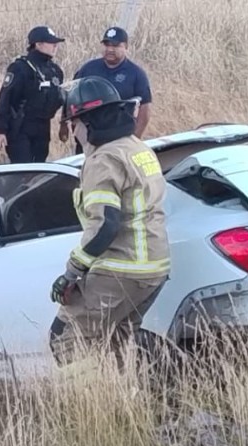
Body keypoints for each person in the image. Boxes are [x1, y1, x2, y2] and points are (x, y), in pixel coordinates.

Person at [49, 76, 170, 368]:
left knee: (65, 339)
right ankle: (122, 403)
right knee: (118, 343)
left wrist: (72, 273)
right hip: (154, 268)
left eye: (73, 123)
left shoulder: (103, 160)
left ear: (87, 122)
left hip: (122, 268)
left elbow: (105, 225)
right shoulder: (138, 148)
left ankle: (81, 409)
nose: (74, 132)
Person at [0, 25, 68, 163]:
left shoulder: (55, 71)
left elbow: (62, 98)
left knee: (39, 171)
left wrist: (64, 123)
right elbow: (5, 98)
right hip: (21, 127)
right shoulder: (20, 68)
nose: (55, 46)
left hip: (43, 127)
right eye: (51, 43)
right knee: (23, 171)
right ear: (38, 44)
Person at [71, 26, 153, 153]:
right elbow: (73, 98)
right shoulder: (88, 69)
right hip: (90, 140)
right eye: (106, 45)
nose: (109, 49)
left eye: (115, 45)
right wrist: (79, 132)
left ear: (125, 46)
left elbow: (145, 109)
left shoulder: (136, 74)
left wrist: (134, 139)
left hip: (120, 140)